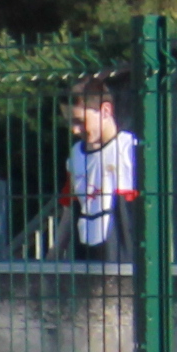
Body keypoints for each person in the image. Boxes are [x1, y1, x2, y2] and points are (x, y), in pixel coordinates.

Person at [61, 74, 137, 260]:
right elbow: (70, 208)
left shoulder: (132, 151)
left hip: (125, 262)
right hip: (86, 262)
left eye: (80, 121)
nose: (74, 130)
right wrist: (54, 252)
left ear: (105, 111)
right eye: (69, 122)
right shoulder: (75, 155)